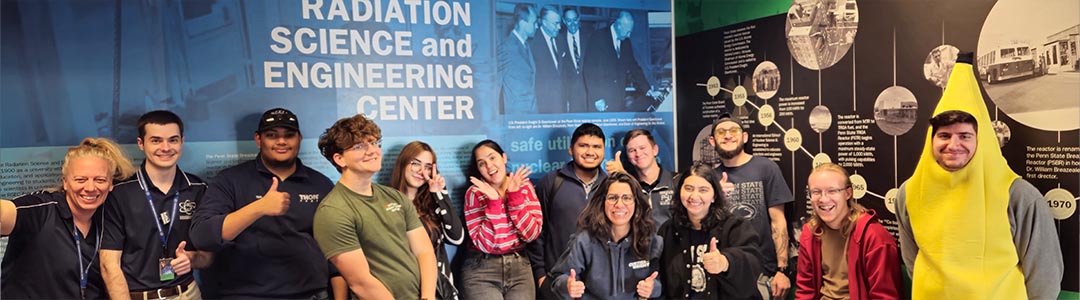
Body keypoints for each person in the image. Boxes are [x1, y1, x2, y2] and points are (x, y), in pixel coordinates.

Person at [896, 53, 1062, 300]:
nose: (953, 144)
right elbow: (913, 261)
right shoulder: (909, 193)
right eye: (944, 135)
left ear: (980, 140)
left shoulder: (1017, 194)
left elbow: (1044, 278)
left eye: (964, 135)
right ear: (931, 139)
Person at [189, 108, 334, 299]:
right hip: (247, 294)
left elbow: (334, 249)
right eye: (272, 135)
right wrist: (259, 208)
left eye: (289, 135)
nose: (281, 141)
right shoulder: (231, 180)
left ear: (299, 139)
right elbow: (202, 236)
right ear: (258, 140)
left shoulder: (321, 184)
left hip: (311, 294)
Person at [312, 114, 437, 300]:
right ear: (339, 159)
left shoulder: (395, 197)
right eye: (359, 146)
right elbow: (361, 282)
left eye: (374, 142)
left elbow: (424, 251)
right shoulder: (333, 211)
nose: (372, 150)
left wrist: (427, 298)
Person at [1, 137, 136, 299]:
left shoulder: (108, 223)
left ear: (110, 185)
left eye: (100, 180)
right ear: (65, 182)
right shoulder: (41, 210)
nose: (90, 188)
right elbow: (6, 214)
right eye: (81, 179)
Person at [100, 111, 210, 300]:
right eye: (156, 140)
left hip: (188, 293)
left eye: (173, 140)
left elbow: (208, 257)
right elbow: (109, 265)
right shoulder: (119, 194)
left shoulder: (198, 189)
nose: (166, 148)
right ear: (141, 144)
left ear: (182, 141)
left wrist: (191, 259)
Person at [709, 113, 794, 299]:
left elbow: (778, 222)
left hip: (764, 271)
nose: (728, 135)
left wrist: (782, 269)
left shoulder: (766, 168)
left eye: (734, 130)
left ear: (744, 137)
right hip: (725, 272)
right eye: (721, 132)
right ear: (712, 141)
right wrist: (715, 196)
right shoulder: (709, 178)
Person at [548, 172, 662, 299]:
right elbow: (559, 278)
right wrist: (567, 286)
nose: (619, 204)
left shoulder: (651, 240)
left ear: (637, 203)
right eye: (613, 198)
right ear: (602, 202)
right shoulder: (584, 240)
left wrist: (652, 288)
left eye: (627, 198)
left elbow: (662, 283)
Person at [795, 163, 900, 300]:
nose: (823, 199)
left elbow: (885, 296)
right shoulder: (810, 234)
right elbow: (805, 291)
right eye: (816, 192)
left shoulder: (874, 236)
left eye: (832, 191)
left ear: (848, 193)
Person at [659, 163, 761, 299]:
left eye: (703, 190)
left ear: (714, 196)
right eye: (688, 188)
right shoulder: (668, 231)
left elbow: (753, 262)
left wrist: (725, 262)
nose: (694, 196)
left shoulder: (735, 226)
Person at [530, 123, 607, 298]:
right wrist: (541, 275)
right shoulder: (551, 182)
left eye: (596, 146)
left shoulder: (611, 185)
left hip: (599, 284)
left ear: (603, 151)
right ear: (571, 149)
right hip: (557, 282)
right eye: (583, 145)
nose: (590, 152)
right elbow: (537, 232)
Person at [461, 140, 543, 300]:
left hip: (520, 267)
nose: (489, 166)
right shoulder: (475, 192)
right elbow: (488, 244)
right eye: (482, 163)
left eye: (492, 158)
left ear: (504, 157)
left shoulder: (524, 186)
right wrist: (494, 204)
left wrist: (515, 197)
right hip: (482, 269)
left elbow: (531, 234)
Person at [389, 141, 465, 299]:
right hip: (403, 288)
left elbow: (457, 238)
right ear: (402, 164)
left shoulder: (432, 204)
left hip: (437, 290)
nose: (421, 171)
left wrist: (440, 194)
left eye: (428, 166)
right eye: (415, 163)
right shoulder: (386, 203)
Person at [605, 129, 676, 229]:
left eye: (642, 148)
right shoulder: (628, 187)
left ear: (655, 150)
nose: (638, 154)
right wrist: (622, 177)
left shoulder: (677, 182)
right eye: (632, 150)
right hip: (639, 243)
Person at [582, 11, 650, 112]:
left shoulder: (626, 42)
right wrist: (597, 98)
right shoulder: (598, 37)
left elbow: (634, 67)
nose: (629, 35)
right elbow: (589, 71)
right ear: (618, 26)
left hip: (618, 100)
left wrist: (647, 89)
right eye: (627, 31)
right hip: (601, 101)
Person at [499, 3, 538, 114]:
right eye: (534, 23)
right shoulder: (506, 47)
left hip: (531, 114)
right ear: (522, 23)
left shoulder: (527, 46)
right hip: (517, 116)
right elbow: (495, 85)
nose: (537, 26)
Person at [531, 5, 569, 114]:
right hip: (542, 104)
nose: (559, 27)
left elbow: (563, 73)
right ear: (544, 22)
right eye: (555, 23)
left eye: (559, 23)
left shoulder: (561, 40)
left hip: (561, 103)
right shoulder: (532, 42)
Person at [560, 8, 590, 113]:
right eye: (568, 20)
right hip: (570, 95)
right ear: (564, 21)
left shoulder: (589, 36)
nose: (572, 24)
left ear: (579, 18)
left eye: (575, 20)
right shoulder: (559, 39)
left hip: (589, 92)